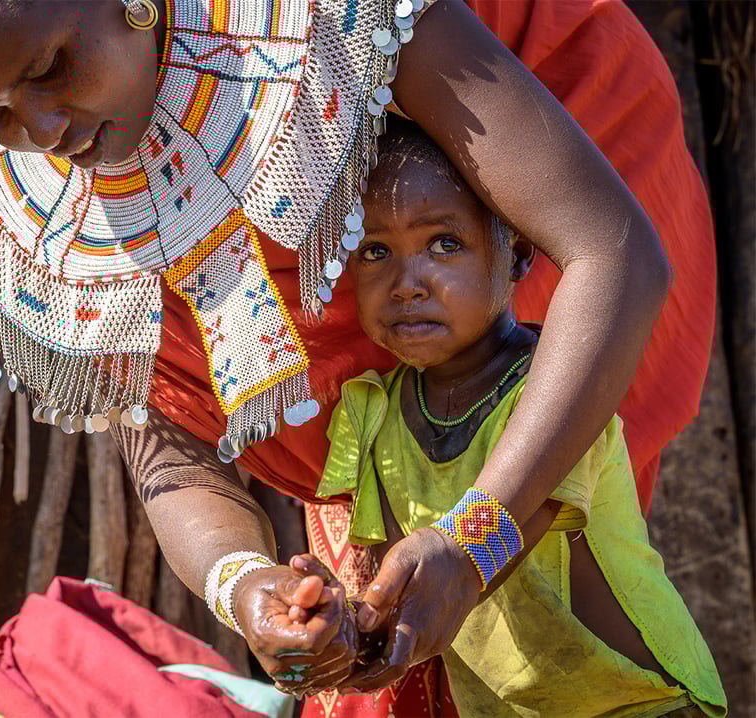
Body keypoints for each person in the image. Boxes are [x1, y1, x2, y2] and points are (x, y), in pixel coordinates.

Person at [0, 0, 717, 714]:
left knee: (556, 567)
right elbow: (173, 444)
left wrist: (474, 543)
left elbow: (610, 251)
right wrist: (244, 584)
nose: (44, 132)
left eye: (49, 67)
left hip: (553, 266)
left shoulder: (328, 23)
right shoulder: (45, 218)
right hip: (378, 446)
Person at [281, 121, 725, 716]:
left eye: (444, 244)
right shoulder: (369, 412)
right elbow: (401, 587)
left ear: (515, 254)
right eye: (375, 251)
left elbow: (495, 541)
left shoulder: (559, 391)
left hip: (644, 704)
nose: (406, 285)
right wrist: (338, 621)